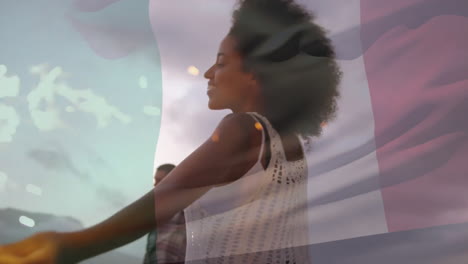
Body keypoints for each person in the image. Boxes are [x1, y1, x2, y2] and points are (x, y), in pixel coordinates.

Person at [0, 0, 340, 263]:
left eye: (221, 62)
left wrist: (64, 246)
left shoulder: (244, 129)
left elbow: (164, 200)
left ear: (256, 73)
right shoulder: (291, 148)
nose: (209, 72)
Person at [143, 164, 186, 264]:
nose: (155, 185)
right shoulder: (159, 214)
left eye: (159, 181)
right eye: (155, 180)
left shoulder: (185, 213)